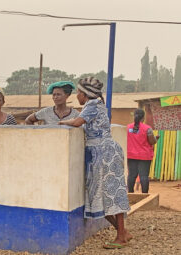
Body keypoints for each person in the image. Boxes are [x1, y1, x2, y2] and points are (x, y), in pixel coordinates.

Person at [59, 77, 132, 249]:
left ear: (85, 94)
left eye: (79, 92)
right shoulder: (97, 105)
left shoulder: (91, 106)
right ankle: (123, 231)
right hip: (101, 153)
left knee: (111, 194)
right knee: (98, 196)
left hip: (104, 153)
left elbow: (77, 123)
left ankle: (121, 237)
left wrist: (62, 122)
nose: (77, 96)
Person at [127, 109, 158, 193]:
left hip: (131, 155)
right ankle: (144, 195)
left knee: (131, 175)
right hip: (144, 156)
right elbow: (152, 141)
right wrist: (156, 138)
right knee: (144, 176)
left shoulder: (128, 127)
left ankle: (130, 194)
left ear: (134, 116)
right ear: (143, 118)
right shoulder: (147, 129)